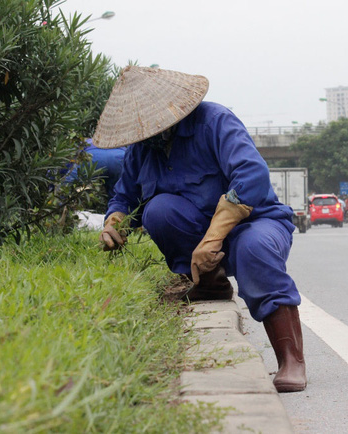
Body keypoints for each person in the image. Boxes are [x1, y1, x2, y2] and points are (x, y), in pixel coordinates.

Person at [94, 66, 306, 393]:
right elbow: (125, 195)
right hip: (196, 231)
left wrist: (213, 237)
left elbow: (252, 177)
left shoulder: (216, 122)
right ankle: (209, 283)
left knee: (254, 250)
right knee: (159, 211)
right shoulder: (142, 149)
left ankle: (291, 359)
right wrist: (113, 222)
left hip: (256, 222)